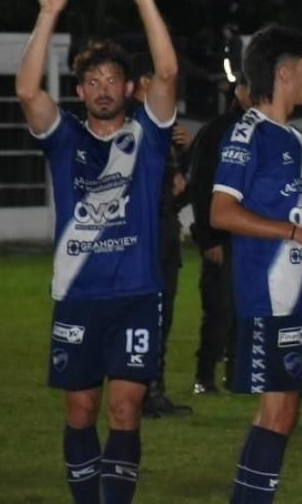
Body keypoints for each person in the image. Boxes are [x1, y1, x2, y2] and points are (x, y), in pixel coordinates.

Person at [16, 0, 178, 503]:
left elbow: (169, 71)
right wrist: (46, 15)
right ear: (81, 90)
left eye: (114, 79)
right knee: (81, 408)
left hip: (137, 295)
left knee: (126, 407)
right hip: (78, 295)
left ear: (127, 89)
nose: (105, 88)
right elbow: (27, 91)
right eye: (93, 80)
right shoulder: (66, 140)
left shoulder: (149, 137)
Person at [211, 24, 302, 502]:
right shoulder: (251, 132)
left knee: (284, 412)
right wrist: (295, 232)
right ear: (284, 73)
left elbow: (291, 208)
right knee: (277, 413)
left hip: (295, 297)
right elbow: (221, 211)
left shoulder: (289, 137)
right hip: (267, 297)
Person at [123, 53, 196, 418]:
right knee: (148, 314)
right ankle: (141, 392)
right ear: (142, 84)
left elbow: (176, 181)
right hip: (145, 231)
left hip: (165, 226)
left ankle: (153, 391)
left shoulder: (161, 124)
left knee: (162, 314)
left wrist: (183, 157)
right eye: (158, 81)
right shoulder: (131, 121)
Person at [185, 78, 251, 394]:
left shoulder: (264, 130)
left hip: (252, 237)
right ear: (240, 93)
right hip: (223, 238)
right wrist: (209, 238)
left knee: (246, 309)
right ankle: (205, 377)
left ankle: (238, 376)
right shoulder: (218, 131)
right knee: (220, 309)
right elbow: (200, 184)